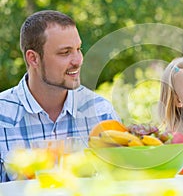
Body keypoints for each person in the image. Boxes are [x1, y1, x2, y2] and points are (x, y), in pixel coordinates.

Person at [0, 10, 120, 182]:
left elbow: (123, 185)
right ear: (33, 58)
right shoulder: (2, 115)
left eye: (78, 49)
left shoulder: (101, 112)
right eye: (65, 53)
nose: (78, 60)